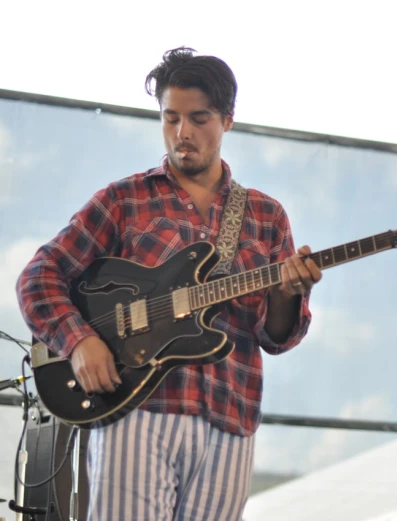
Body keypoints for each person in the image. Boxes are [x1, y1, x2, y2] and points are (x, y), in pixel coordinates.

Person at [16, 47, 322, 521]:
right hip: (138, 408)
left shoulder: (266, 215)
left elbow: (277, 336)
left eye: (199, 118)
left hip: (230, 415)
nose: (183, 133)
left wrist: (289, 291)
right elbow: (39, 277)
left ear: (228, 121)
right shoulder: (125, 199)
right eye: (171, 118)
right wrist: (79, 342)